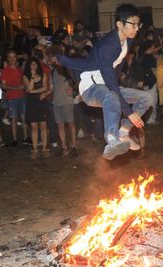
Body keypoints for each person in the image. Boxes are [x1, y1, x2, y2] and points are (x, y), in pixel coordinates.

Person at [58, 4, 144, 160]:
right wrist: (129, 112)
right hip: (90, 88)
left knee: (146, 98)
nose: (136, 28)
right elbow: (111, 84)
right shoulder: (108, 46)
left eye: (138, 24)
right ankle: (111, 140)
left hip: (106, 86)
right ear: (119, 24)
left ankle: (124, 132)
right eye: (133, 24)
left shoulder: (128, 41)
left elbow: (119, 65)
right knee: (112, 96)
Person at [49, 52, 78, 156]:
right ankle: (64, 147)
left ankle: (74, 146)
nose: (51, 60)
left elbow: (78, 81)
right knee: (60, 125)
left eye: (52, 58)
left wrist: (73, 89)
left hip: (67, 101)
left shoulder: (68, 69)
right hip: (56, 102)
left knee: (71, 124)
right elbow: (52, 87)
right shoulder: (53, 71)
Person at [23, 58, 51, 159]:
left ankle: (44, 148)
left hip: (41, 102)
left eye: (35, 64)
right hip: (31, 103)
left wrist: (32, 91)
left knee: (43, 125)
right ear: (29, 66)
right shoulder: (25, 76)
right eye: (31, 64)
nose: (33, 66)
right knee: (34, 127)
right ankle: (34, 149)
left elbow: (45, 88)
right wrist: (33, 77)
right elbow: (29, 88)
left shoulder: (44, 75)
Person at [0, 50, 29, 146]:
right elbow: (3, 86)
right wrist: (16, 88)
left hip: (22, 97)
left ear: (16, 58)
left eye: (14, 57)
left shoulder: (20, 70)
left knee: (24, 118)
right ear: (8, 59)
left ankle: (25, 137)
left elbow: (25, 83)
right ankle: (14, 139)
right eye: (10, 57)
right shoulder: (5, 71)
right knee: (14, 119)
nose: (12, 59)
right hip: (12, 98)